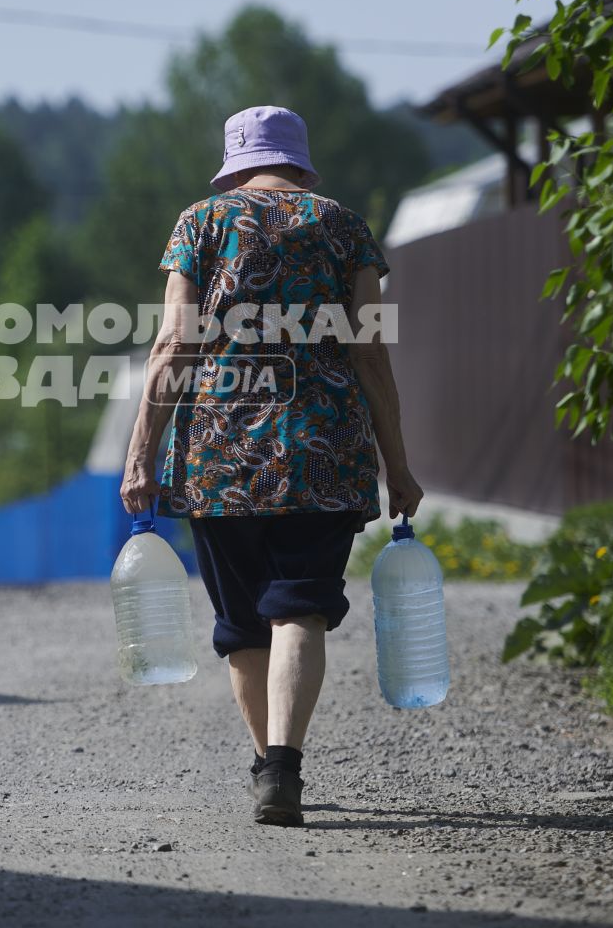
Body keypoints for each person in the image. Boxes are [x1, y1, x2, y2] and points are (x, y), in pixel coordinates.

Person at [119, 104, 422, 828]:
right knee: (301, 610)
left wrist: (142, 456)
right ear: (299, 159)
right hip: (323, 453)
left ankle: (270, 770)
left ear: (235, 162)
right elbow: (370, 352)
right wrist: (398, 465)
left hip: (219, 459)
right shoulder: (343, 228)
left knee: (244, 627)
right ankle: (281, 765)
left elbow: (172, 345)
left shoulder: (201, 225)